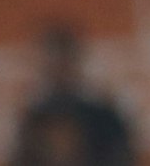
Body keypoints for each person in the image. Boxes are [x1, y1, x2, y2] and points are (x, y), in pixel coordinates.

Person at [8, 23, 133, 166]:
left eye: (64, 59)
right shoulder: (31, 121)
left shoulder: (105, 116)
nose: (58, 68)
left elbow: (123, 157)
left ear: (76, 60)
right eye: (52, 61)